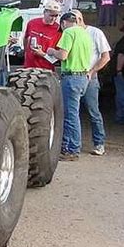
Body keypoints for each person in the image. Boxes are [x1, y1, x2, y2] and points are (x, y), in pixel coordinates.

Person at [46, 12, 92, 161]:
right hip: (83, 76)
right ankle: (69, 146)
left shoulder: (68, 32)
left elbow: (63, 56)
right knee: (74, 113)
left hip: (71, 77)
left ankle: (72, 149)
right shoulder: (85, 33)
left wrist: (52, 51)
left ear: (63, 23)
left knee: (70, 115)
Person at [70, 9, 111, 156]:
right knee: (71, 112)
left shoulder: (95, 33)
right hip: (74, 75)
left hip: (88, 77)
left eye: (73, 20)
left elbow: (105, 57)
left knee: (93, 111)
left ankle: (99, 142)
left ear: (79, 20)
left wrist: (92, 71)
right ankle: (71, 144)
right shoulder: (69, 33)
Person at [23, 1, 62, 71]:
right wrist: (26, 52)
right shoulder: (32, 23)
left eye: (56, 16)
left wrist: (42, 54)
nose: (53, 18)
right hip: (29, 65)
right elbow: (26, 38)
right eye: (51, 15)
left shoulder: (58, 30)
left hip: (46, 67)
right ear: (44, 12)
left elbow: (58, 55)